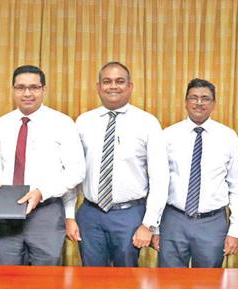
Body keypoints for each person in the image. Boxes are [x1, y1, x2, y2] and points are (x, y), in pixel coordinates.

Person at [68, 61, 169, 267]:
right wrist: (70, 215)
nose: (113, 86)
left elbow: (160, 178)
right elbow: (72, 172)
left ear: (130, 87)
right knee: (92, 278)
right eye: (107, 81)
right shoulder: (83, 122)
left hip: (130, 215)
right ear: (98, 87)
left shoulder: (147, 123)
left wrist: (148, 224)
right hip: (90, 214)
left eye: (119, 81)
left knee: (127, 279)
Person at [0, 65, 85, 266]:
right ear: (13, 90)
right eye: (20, 87)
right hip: (8, 211)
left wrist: (42, 192)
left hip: (46, 212)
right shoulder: (3, 123)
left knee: (44, 279)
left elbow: (76, 171)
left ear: (44, 90)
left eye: (34, 87)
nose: (27, 93)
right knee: (7, 277)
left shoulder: (62, 123)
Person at [153, 78, 238, 267]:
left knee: (208, 282)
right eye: (193, 98)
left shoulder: (227, 137)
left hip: (212, 223)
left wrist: (235, 231)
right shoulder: (168, 136)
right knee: (169, 281)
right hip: (173, 220)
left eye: (205, 98)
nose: (199, 103)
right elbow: (156, 184)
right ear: (186, 102)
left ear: (214, 103)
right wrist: (154, 228)